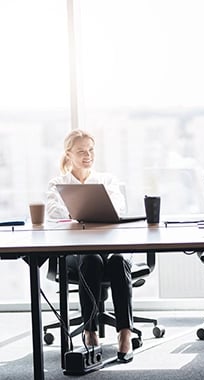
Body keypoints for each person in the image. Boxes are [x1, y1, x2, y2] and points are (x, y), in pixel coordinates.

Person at [46, 129, 134, 363]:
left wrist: (78, 213)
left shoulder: (107, 180)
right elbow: (55, 213)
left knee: (117, 261)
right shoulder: (58, 183)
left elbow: (117, 210)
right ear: (69, 154)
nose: (88, 155)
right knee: (91, 259)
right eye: (81, 151)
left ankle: (125, 333)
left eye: (91, 150)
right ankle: (90, 330)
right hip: (78, 253)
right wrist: (83, 212)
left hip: (111, 247)